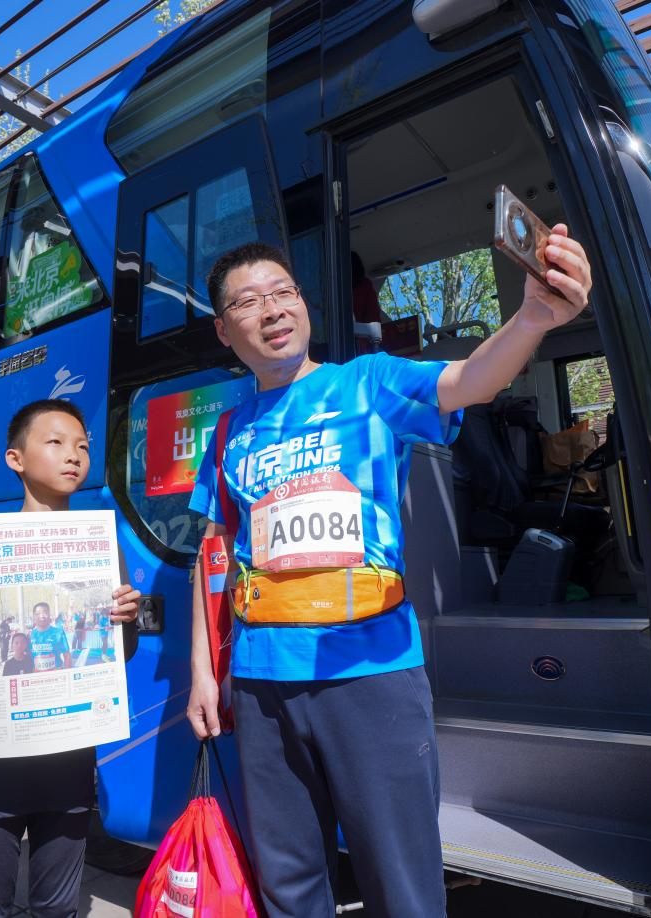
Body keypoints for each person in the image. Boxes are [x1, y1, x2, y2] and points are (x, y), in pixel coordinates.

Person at [186, 234, 591, 917]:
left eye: (283, 292)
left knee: (401, 882)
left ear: (304, 305)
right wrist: (205, 672)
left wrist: (531, 320)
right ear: (225, 331)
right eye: (248, 302)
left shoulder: (367, 382)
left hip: (371, 674)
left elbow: (471, 381)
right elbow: (214, 554)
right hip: (260, 683)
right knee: (287, 885)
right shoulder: (228, 432)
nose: (273, 309)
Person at [0, 399, 141, 918]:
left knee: (56, 909)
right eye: (55, 442)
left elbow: (118, 657)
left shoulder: (102, 547)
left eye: (82, 446)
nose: (74, 455)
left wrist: (127, 621)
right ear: (15, 458)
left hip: (69, 771)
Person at [29, 602, 72, 671]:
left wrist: (67, 674)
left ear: (49, 615)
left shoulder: (59, 633)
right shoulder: (30, 635)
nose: (42, 616)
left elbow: (67, 656)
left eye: (45, 612)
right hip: (36, 676)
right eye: (38, 614)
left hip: (55, 675)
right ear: (34, 617)